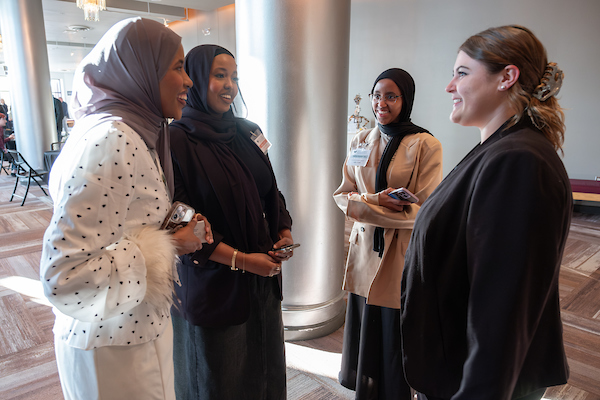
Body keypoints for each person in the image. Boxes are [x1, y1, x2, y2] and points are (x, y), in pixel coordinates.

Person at [39, 17, 210, 400]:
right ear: (141, 69)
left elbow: (120, 219)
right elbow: (63, 275)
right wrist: (168, 247)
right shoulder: (114, 139)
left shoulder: (132, 131)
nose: (189, 82)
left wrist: (172, 228)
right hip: (115, 346)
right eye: (177, 67)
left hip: (123, 331)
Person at [400, 25, 571, 400]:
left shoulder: (519, 161)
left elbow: (502, 310)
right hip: (459, 364)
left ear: (506, 77)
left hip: (479, 380)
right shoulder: (502, 148)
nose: (449, 87)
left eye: (462, 73)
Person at [168, 44, 294, 400]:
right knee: (218, 381)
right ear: (194, 80)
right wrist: (242, 261)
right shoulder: (176, 141)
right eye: (219, 75)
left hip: (262, 279)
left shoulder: (248, 131)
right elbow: (179, 221)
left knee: (266, 373)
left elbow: (270, 191)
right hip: (214, 284)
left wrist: (283, 230)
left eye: (234, 77)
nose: (229, 85)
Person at [333, 68, 443, 399]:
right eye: (377, 95)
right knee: (365, 324)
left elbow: (421, 212)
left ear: (405, 100)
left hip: (400, 253)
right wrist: (375, 202)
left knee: (394, 332)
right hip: (364, 250)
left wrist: (360, 206)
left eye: (391, 96)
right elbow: (342, 195)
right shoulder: (361, 139)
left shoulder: (425, 144)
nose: (382, 103)